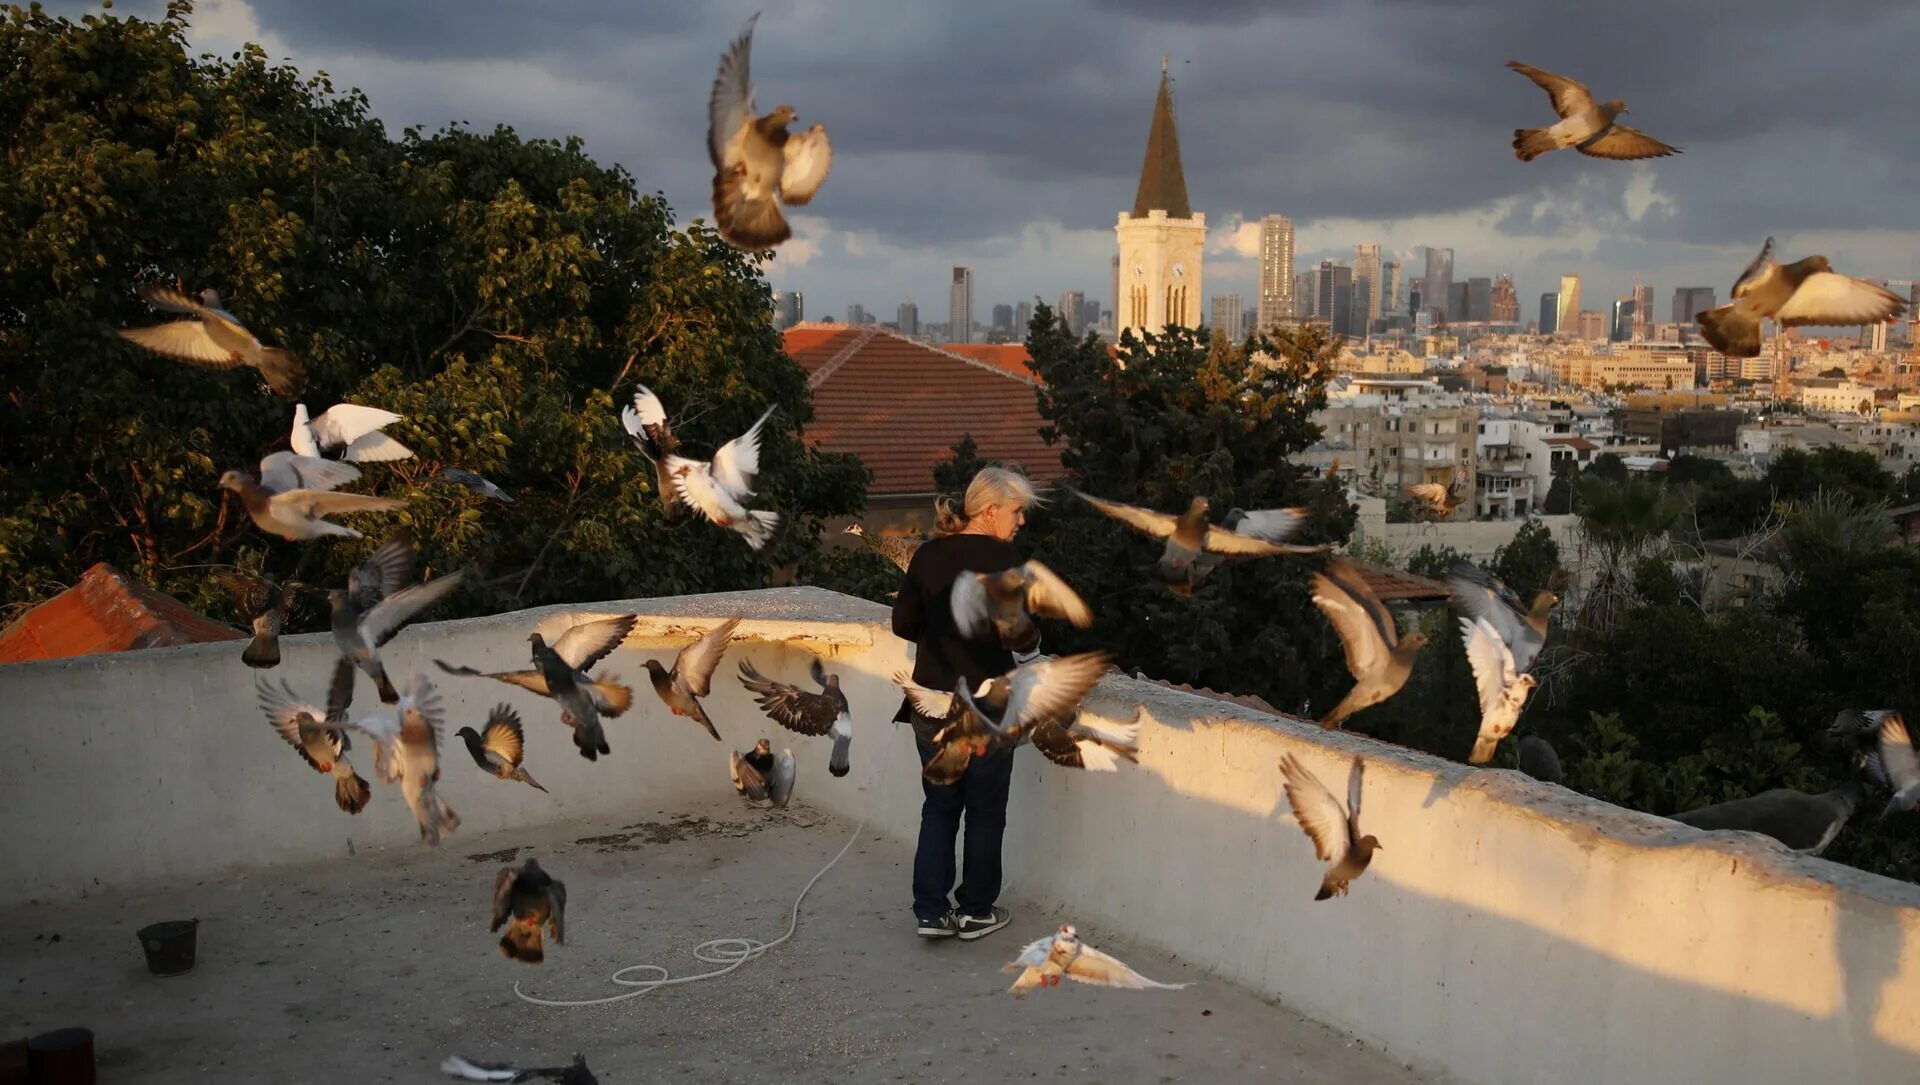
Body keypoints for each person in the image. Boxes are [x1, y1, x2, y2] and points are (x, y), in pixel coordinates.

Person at [890, 466, 1042, 941]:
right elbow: (1019, 632)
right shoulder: (1003, 558)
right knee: (984, 808)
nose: (1021, 522)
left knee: (939, 806)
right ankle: (976, 910)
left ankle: (931, 913)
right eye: (1017, 512)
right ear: (992, 511)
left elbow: (902, 625)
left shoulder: (928, 555)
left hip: (930, 704)